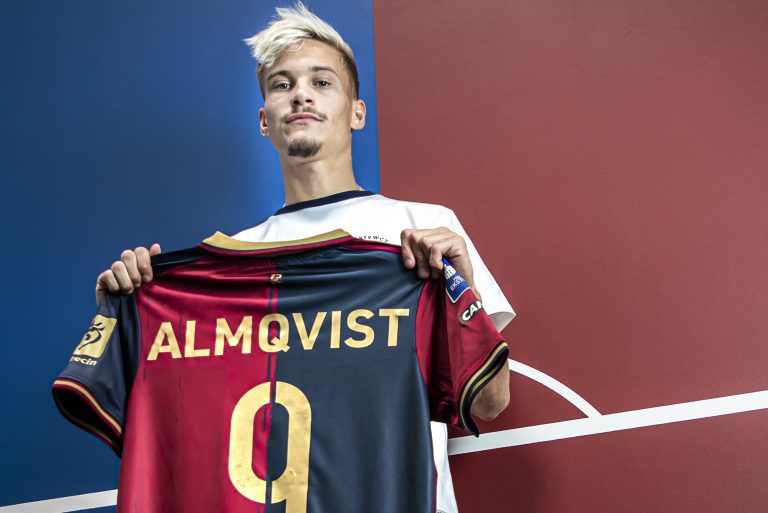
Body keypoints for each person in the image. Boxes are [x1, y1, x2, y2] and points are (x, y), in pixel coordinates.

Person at [94, 4, 515, 512]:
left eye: (321, 82)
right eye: (282, 84)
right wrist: (130, 310)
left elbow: (490, 402)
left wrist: (463, 289)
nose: (300, 95)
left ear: (357, 111)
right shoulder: (228, 264)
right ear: (264, 120)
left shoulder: (424, 227)